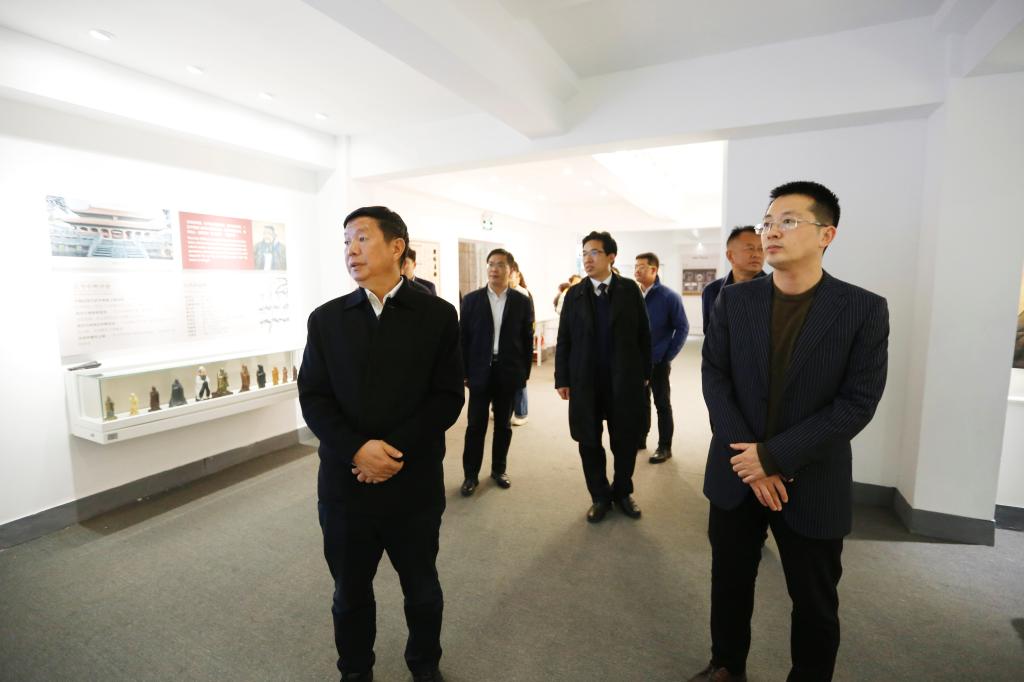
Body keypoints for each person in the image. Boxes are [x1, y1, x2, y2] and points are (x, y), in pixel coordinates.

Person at [691, 181, 889, 682]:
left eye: (788, 221)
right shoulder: (734, 301)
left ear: (827, 234)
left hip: (813, 476)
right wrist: (751, 462)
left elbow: (857, 403)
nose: (771, 232)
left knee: (814, 598)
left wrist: (773, 457)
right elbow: (715, 378)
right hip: (736, 473)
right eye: (767, 222)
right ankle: (726, 665)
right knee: (729, 581)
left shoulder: (862, 309)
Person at [298, 206, 464, 682]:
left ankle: (425, 666)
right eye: (346, 241)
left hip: (412, 481)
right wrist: (357, 450)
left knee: (422, 589)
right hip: (346, 485)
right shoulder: (327, 319)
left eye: (362, 238)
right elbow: (314, 397)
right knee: (349, 593)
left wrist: (390, 452)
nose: (351, 250)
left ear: (396, 247)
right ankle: (355, 672)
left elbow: (447, 397)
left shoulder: (436, 315)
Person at [555, 231, 651, 522]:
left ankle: (622, 492)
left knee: (625, 440)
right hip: (586, 381)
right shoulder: (574, 294)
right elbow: (564, 339)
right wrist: (562, 378)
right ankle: (599, 496)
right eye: (584, 253)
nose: (588, 259)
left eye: (594, 252)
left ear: (611, 257)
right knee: (588, 440)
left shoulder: (629, 290)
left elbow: (643, 334)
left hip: (623, 379)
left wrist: (645, 373)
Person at [458, 249, 534, 495]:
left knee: (503, 425)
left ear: (510, 270)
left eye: (500, 264)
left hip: (508, 371)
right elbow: (463, 339)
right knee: (475, 426)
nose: (494, 269)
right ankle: (470, 475)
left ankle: (499, 470)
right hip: (480, 371)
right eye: (490, 264)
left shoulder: (521, 301)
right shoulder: (472, 300)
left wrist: (523, 374)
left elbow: (527, 339)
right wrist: (464, 371)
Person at [633, 252, 688, 463]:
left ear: (654, 270)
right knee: (640, 402)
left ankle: (665, 446)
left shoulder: (669, 297)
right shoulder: (633, 295)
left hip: (658, 361)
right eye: (635, 266)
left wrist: (667, 355)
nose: (637, 270)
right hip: (637, 362)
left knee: (662, 403)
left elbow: (682, 327)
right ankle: (640, 438)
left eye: (641, 266)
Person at [701, 226, 765, 328]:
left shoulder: (776, 288)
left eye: (761, 249)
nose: (757, 255)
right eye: (750, 249)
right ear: (730, 256)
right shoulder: (712, 290)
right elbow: (709, 331)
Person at [508, 264, 534, 425]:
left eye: (511, 274)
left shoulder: (523, 294)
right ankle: (498, 409)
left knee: (519, 381)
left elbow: (529, 322)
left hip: (518, 344)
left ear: (517, 276)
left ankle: (521, 413)